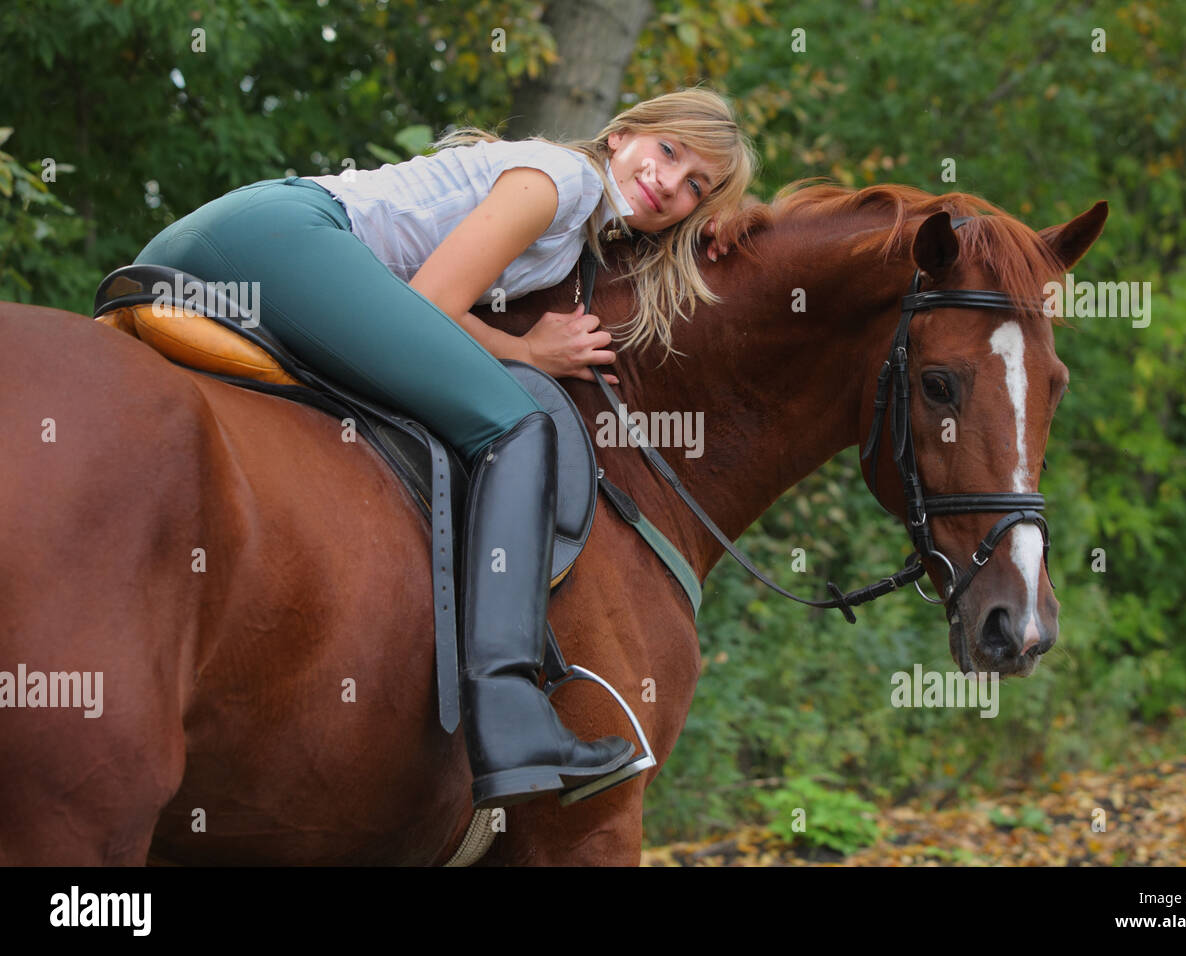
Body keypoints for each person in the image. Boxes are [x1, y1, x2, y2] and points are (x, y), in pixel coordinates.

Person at [133, 86, 758, 808]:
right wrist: (526, 352)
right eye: (669, 151)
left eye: (695, 189)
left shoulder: (581, 226)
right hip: (269, 237)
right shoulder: (563, 181)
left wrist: (727, 228)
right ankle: (511, 714)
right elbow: (431, 303)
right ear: (622, 136)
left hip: (235, 243)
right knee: (520, 424)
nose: (668, 183)